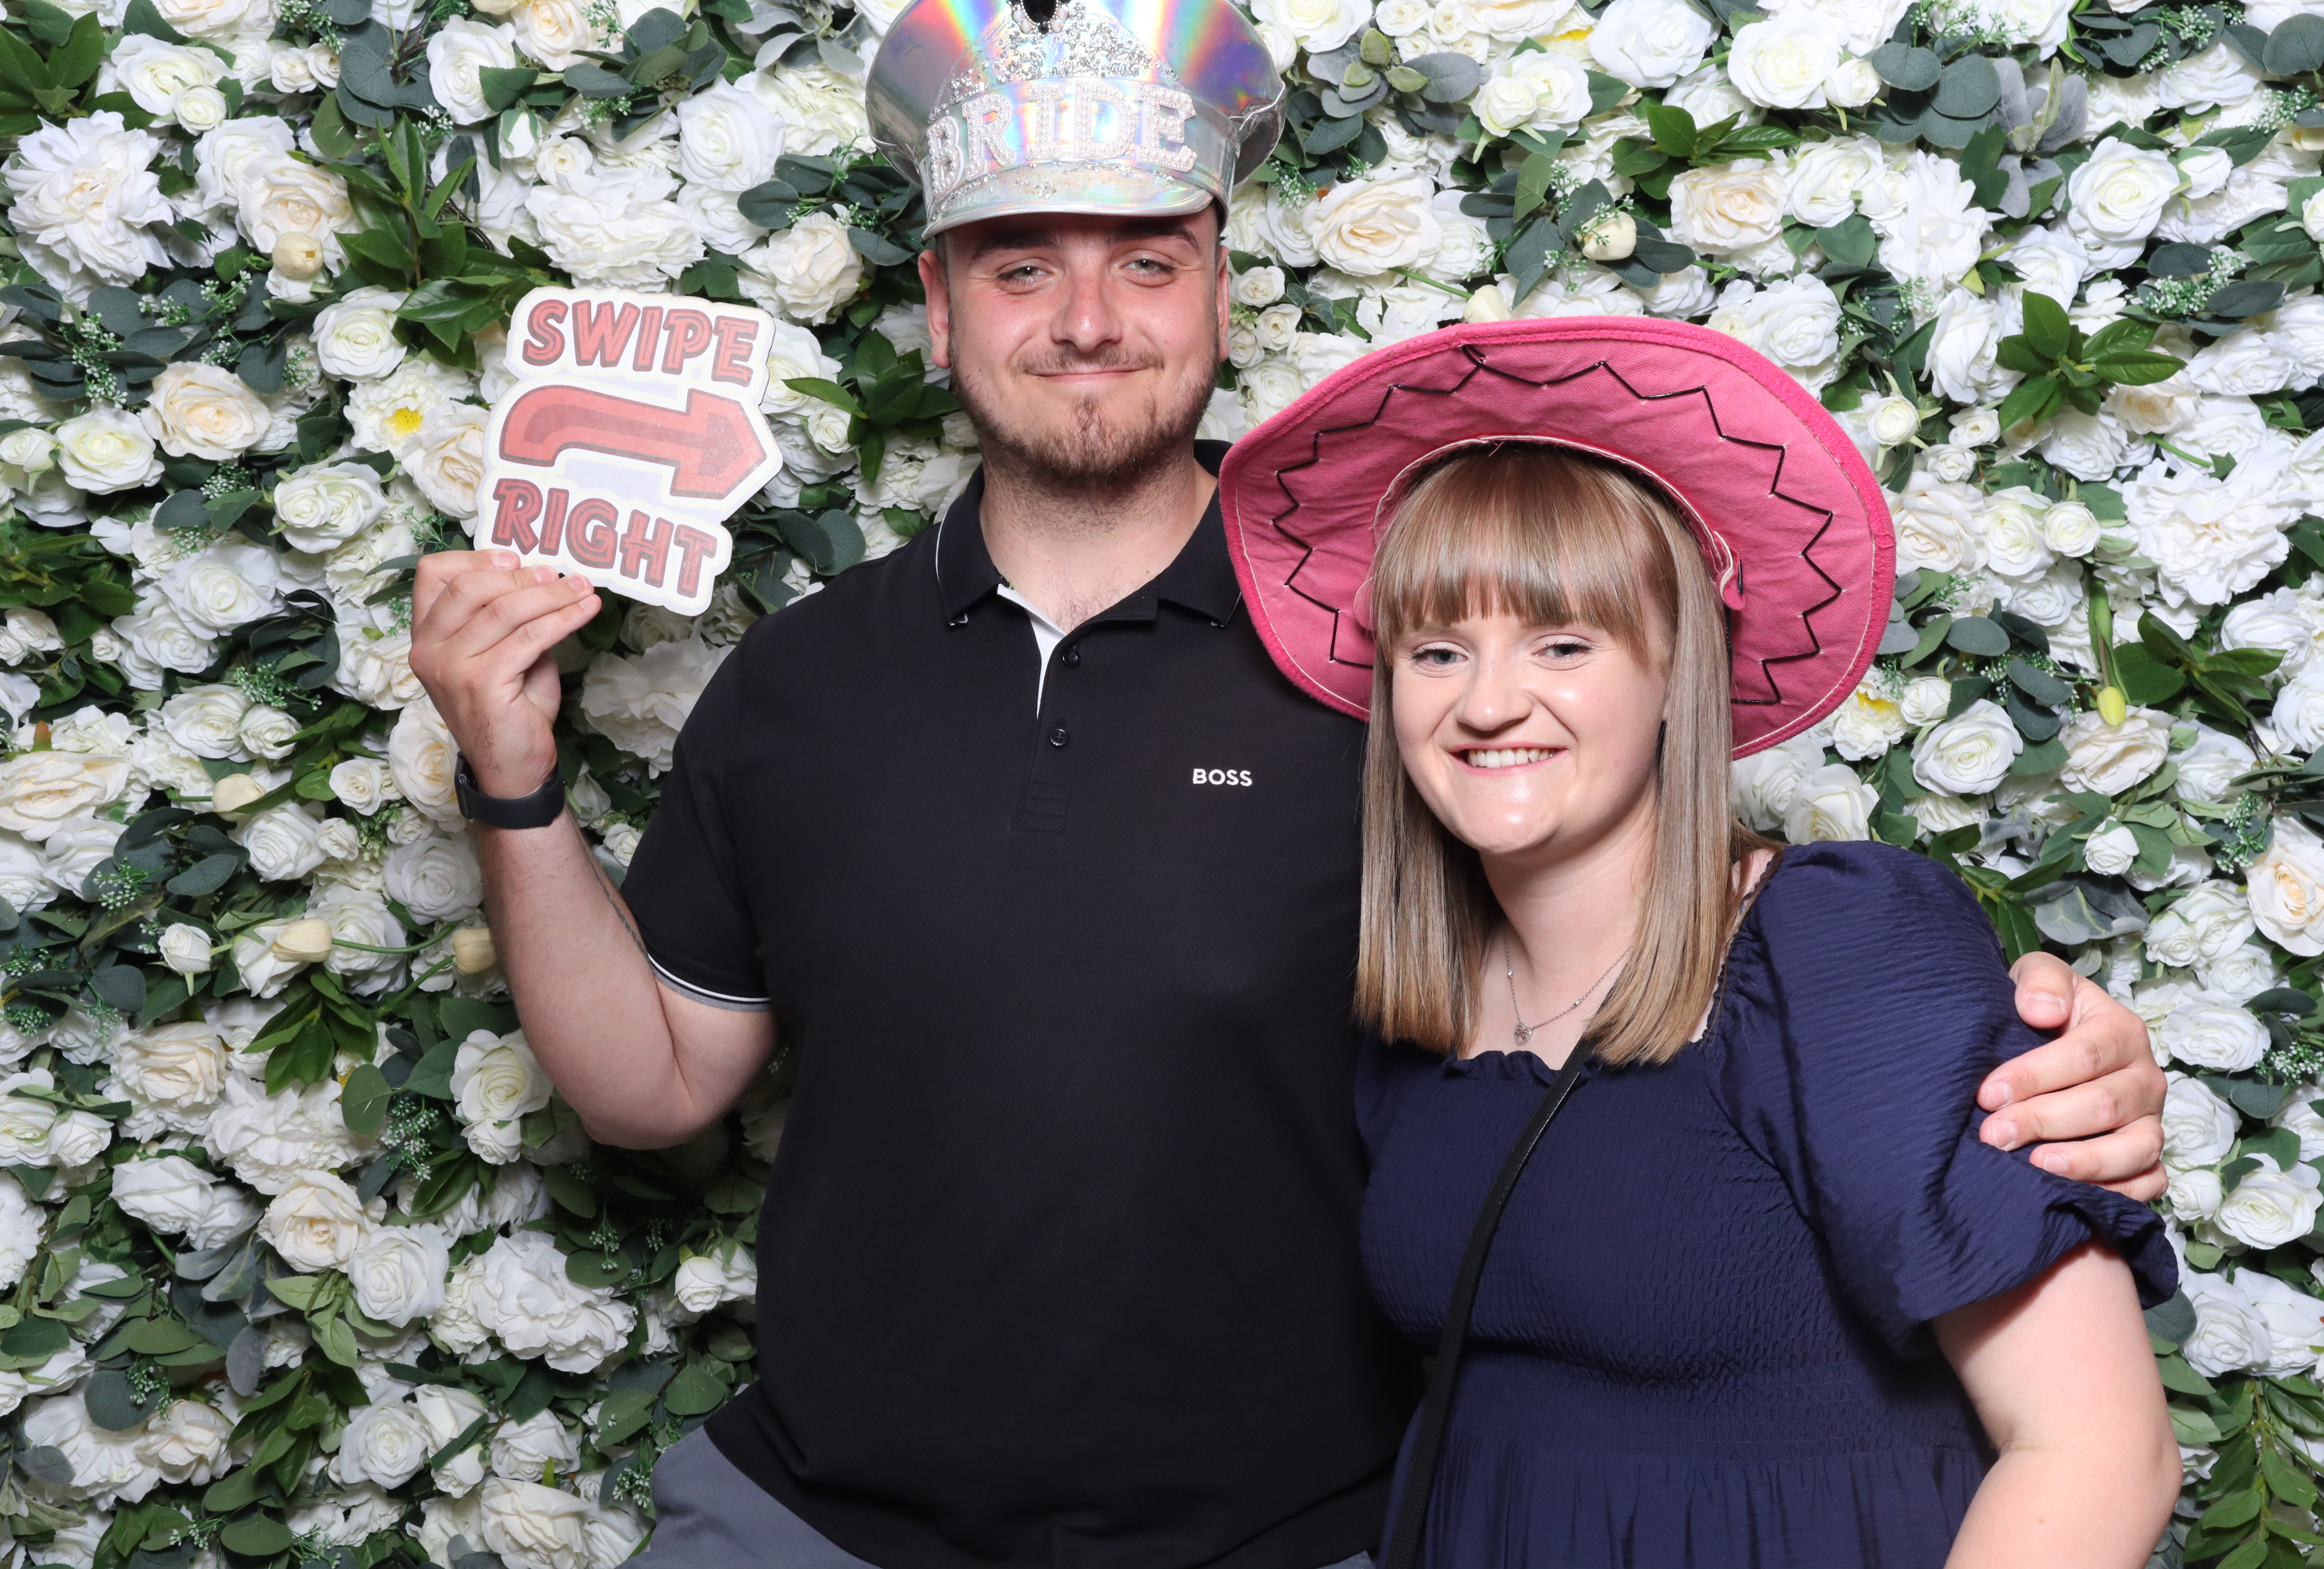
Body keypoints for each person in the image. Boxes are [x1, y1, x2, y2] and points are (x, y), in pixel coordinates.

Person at [404, 0, 2171, 1562]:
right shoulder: (796, 680)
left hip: (1288, 1527)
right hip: (817, 1514)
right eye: (1022, 264)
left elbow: (1679, 936)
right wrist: (514, 780)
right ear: (936, 310)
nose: (1087, 320)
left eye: (1148, 261)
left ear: (1219, 292)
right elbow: (650, 1090)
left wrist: (2030, 1055)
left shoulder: (1379, 650)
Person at [1220, 316, 2180, 1569]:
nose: (1488, 701)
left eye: (1564, 644)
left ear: (1680, 675)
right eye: (1439, 651)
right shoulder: (1423, 1005)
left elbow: (2101, 1453)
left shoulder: (1835, 947)